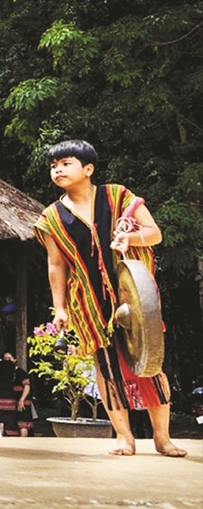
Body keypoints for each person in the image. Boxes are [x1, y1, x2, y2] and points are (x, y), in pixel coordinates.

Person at [34, 139, 185, 458]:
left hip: (136, 296)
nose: (58, 169)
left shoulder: (118, 196)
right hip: (89, 301)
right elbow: (56, 264)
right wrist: (59, 308)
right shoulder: (51, 217)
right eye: (53, 165)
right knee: (106, 368)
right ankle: (124, 437)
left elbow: (154, 233)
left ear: (88, 169)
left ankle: (162, 438)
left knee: (151, 364)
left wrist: (128, 237)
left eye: (66, 163)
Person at [0, 352, 34, 437]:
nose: (7, 361)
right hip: (12, 401)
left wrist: (22, 400)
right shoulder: (2, 372)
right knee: (7, 422)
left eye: (9, 358)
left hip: (22, 401)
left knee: (22, 423)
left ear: (15, 360)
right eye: (5, 359)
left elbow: (27, 386)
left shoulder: (20, 372)